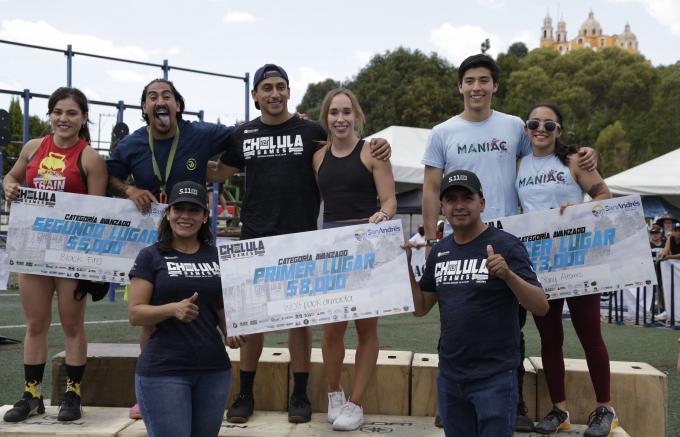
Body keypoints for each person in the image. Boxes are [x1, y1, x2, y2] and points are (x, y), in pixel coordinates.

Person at [420, 54, 598, 432]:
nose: (477, 87)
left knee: (511, 324)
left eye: (484, 80)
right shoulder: (442, 132)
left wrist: (584, 158)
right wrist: (429, 235)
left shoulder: (515, 125)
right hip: (458, 237)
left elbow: (543, 151)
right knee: (453, 321)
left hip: (509, 239)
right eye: (470, 80)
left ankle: (511, 403)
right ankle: (450, 400)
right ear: (460, 86)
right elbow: (432, 187)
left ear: (495, 86)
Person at [209, 64, 390, 424]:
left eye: (280, 87)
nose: (274, 93)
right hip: (255, 236)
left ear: (289, 91)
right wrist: (186, 165)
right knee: (252, 319)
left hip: (301, 237)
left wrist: (380, 143)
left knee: (301, 321)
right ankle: (245, 392)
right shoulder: (242, 134)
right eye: (266, 88)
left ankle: (300, 393)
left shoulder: (311, 131)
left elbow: (345, 142)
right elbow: (219, 172)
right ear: (255, 95)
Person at [106, 78, 235, 418]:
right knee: (150, 316)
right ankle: (146, 388)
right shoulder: (133, 143)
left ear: (178, 104)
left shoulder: (201, 134)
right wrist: (130, 190)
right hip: (149, 236)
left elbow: (240, 138)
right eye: (152, 97)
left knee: (203, 298)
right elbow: (111, 176)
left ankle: (197, 376)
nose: (160, 101)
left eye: (167, 96)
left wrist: (223, 170)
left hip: (190, 225)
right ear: (144, 108)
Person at [403, 169, 548, 437]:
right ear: (442, 207)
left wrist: (508, 275)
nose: (459, 205)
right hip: (451, 377)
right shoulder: (440, 251)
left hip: (495, 378)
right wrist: (406, 270)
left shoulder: (506, 246)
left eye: (466, 198)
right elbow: (421, 308)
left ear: (481, 203)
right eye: (451, 199)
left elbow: (541, 306)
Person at [2, 87, 108, 422]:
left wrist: (91, 263)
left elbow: (97, 212)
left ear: (83, 118)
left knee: (72, 325)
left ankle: (72, 395)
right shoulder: (33, 148)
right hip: (32, 248)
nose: (64, 119)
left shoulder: (90, 157)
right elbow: (11, 177)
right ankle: (31, 394)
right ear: (50, 115)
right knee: (36, 323)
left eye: (71, 113)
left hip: (70, 254)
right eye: (58, 112)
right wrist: (8, 185)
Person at [516, 102, 617, 437]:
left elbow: (604, 193)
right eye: (534, 124)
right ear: (526, 129)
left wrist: (581, 209)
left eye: (549, 125)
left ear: (559, 130)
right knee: (550, 339)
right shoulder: (518, 163)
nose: (541, 130)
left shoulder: (574, 160)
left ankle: (605, 409)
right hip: (539, 262)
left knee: (590, 334)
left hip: (576, 257)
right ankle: (559, 410)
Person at [313, 88, 396, 431]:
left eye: (347, 112)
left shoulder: (373, 152)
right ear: (326, 118)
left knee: (366, 330)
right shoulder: (317, 158)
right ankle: (334, 392)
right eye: (334, 112)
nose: (340, 118)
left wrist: (380, 216)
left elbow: (390, 201)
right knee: (331, 331)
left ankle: (355, 402)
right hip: (332, 251)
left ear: (357, 115)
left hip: (366, 250)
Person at [127, 181, 238, 437]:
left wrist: (231, 330)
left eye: (194, 210)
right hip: (164, 369)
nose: (185, 216)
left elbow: (221, 306)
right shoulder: (150, 256)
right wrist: (172, 309)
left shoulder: (217, 256)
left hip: (214, 370)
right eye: (179, 209)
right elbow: (135, 313)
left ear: (204, 216)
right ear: (168, 213)